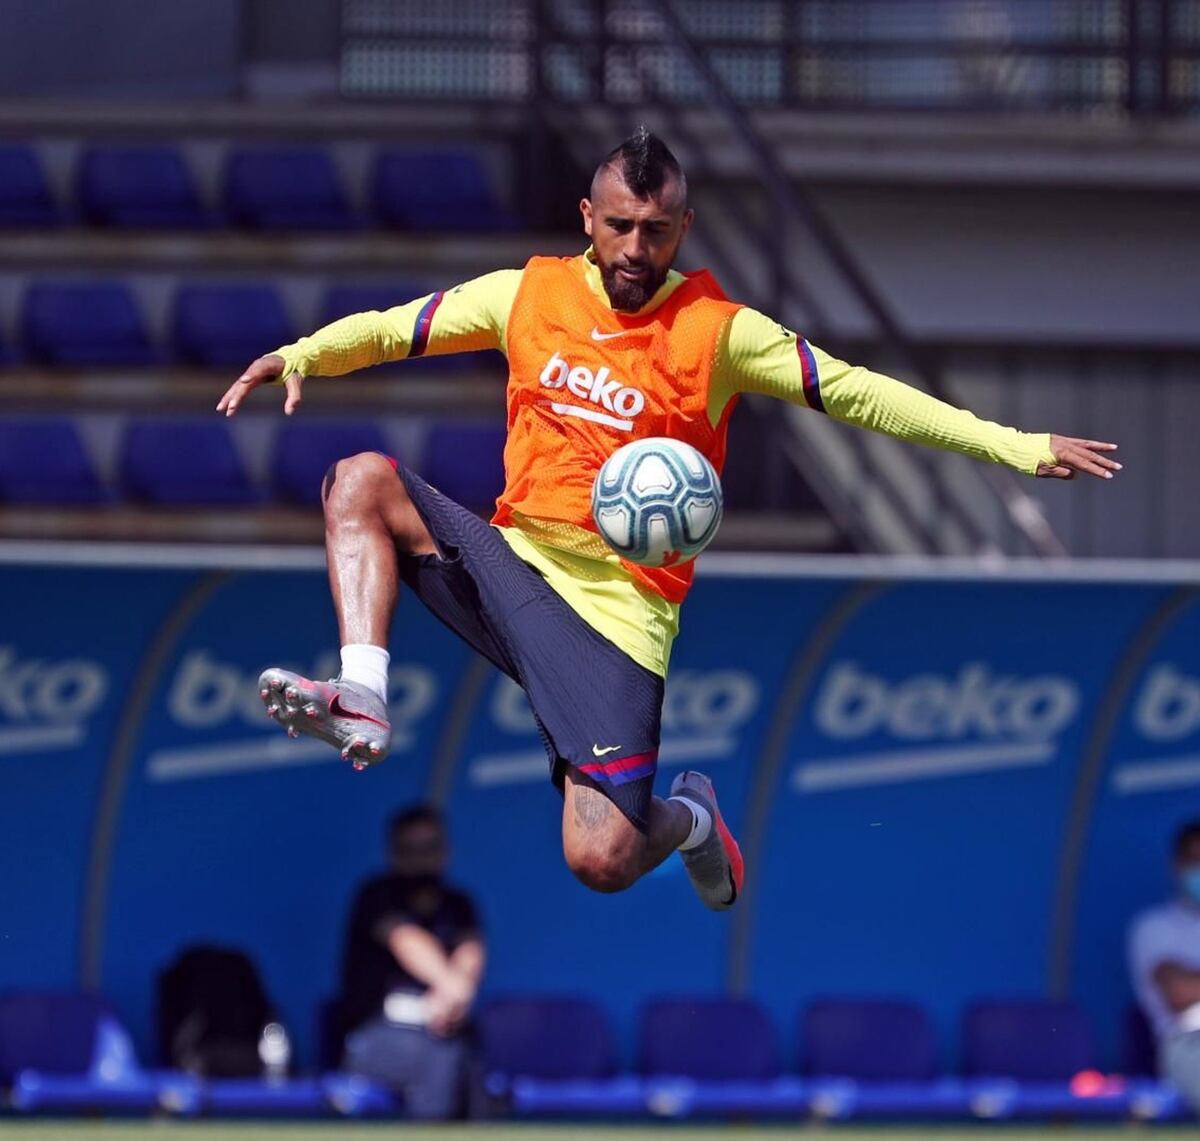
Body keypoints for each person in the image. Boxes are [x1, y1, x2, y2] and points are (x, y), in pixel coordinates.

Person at [217, 128, 1119, 912]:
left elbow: (859, 393)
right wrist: (304, 352)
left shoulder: (722, 333)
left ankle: (689, 819)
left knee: (600, 860)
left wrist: (1015, 445)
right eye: (619, 226)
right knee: (361, 480)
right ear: (587, 217)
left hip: (618, 614)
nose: (635, 248)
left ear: (683, 228)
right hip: (514, 560)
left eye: (656, 230)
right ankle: (364, 699)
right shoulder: (524, 295)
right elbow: (394, 328)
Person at [337, 804, 484, 1120]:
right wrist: (451, 986)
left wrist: (452, 1001)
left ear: (445, 851)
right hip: (373, 1037)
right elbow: (406, 940)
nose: (420, 858)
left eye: (429, 847)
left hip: (445, 1030)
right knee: (439, 1056)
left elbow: (469, 952)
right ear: (394, 853)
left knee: (466, 1055)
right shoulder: (375, 895)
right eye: (410, 849)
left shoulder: (458, 904)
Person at [1129, 819, 1200, 1110]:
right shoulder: (1154, 926)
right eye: (1193, 859)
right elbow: (1179, 993)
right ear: (1177, 865)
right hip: (1188, 1042)